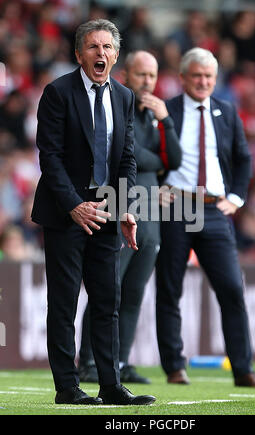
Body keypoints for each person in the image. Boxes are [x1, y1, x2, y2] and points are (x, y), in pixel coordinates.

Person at [31, 18, 156, 406]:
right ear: (78, 54)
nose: (100, 54)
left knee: (108, 301)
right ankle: (67, 387)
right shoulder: (57, 92)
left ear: (116, 55)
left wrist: (124, 209)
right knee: (65, 302)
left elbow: (128, 160)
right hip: (66, 212)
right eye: (93, 47)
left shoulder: (123, 96)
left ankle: (110, 384)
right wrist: (74, 206)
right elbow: (49, 157)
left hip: (106, 212)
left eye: (107, 48)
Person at [155, 47, 255, 388]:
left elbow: (243, 158)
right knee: (170, 288)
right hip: (176, 207)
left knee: (232, 289)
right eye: (196, 75)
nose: (203, 81)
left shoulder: (227, 111)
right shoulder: (169, 110)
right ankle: (175, 367)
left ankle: (244, 370)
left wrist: (236, 198)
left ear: (215, 79)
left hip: (215, 209)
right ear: (183, 78)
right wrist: (158, 187)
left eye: (208, 76)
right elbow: (150, 152)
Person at [79, 50, 182, 384]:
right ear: (126, 74)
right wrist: (160, 160)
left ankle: (119, 362)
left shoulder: (153, 114)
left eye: (152, 75)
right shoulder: (118, 105)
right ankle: (90, 361)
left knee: (134, 291)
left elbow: (175, 160)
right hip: (122, 204)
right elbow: (128, 152)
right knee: (108, 286)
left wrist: (166, 120)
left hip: (151, 211)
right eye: (141, 75)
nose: (148, 82)